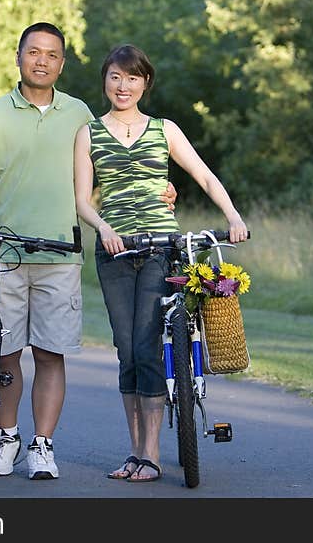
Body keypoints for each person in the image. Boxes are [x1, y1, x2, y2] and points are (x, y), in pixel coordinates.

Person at [0, 24, 175, 481]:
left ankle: (42, 445)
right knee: (3, 354)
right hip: (5, 254)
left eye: (52, 54)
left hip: (61, 254)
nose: (42, 60)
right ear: (18, 57)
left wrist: (161, 187)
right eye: (34, 52)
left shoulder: (79, 114)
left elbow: (118, 156)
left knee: (49, 353)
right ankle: (5, 437)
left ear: (62, 63)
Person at [74, 43, 249, 483]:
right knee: (126, 350)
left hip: (159, 246)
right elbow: (81, 199)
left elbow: (204, 175)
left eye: (132, 78)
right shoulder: (88, 133)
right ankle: (133, 452)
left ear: (145, 83)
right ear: (105, 81)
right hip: (114, 250)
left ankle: (150, 455)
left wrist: (233, 216)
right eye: (115, 77)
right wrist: (104, 228)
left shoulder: (164, 129)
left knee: (149, 347)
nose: (123, 86)